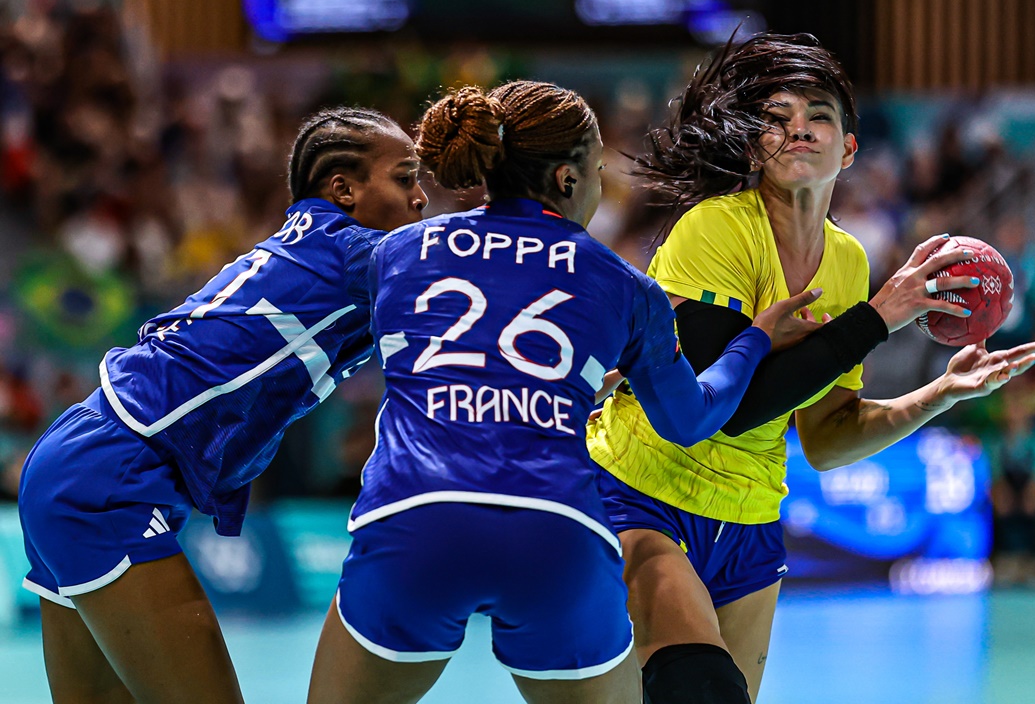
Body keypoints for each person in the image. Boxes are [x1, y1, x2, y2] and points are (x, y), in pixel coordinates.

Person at [305, 81, 822, 704]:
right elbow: (691, 419)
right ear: (568, 180)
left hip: (416, 521)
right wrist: (756, 340)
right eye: (599, 168)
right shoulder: (626, 286)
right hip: (557, 533)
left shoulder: (395, 252)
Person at [585, 33, 1035, 704]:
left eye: (819, 118)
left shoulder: (848, 263)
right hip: (642, 492)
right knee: (698, 687)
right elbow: (721, 410)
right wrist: (876, 319)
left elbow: (828, 436)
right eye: (776, 119)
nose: (798, 130)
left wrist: (940, 393)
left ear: (850, 149)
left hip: (748, 519)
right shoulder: (712, 230)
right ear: (755, 149)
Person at [18, 106, 429, 704]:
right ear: (343, 188)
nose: (421, 197)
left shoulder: (312, 242)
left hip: (82, 455)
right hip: (111, 475)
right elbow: (471, 263)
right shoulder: (355, 254)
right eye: (405, 177)